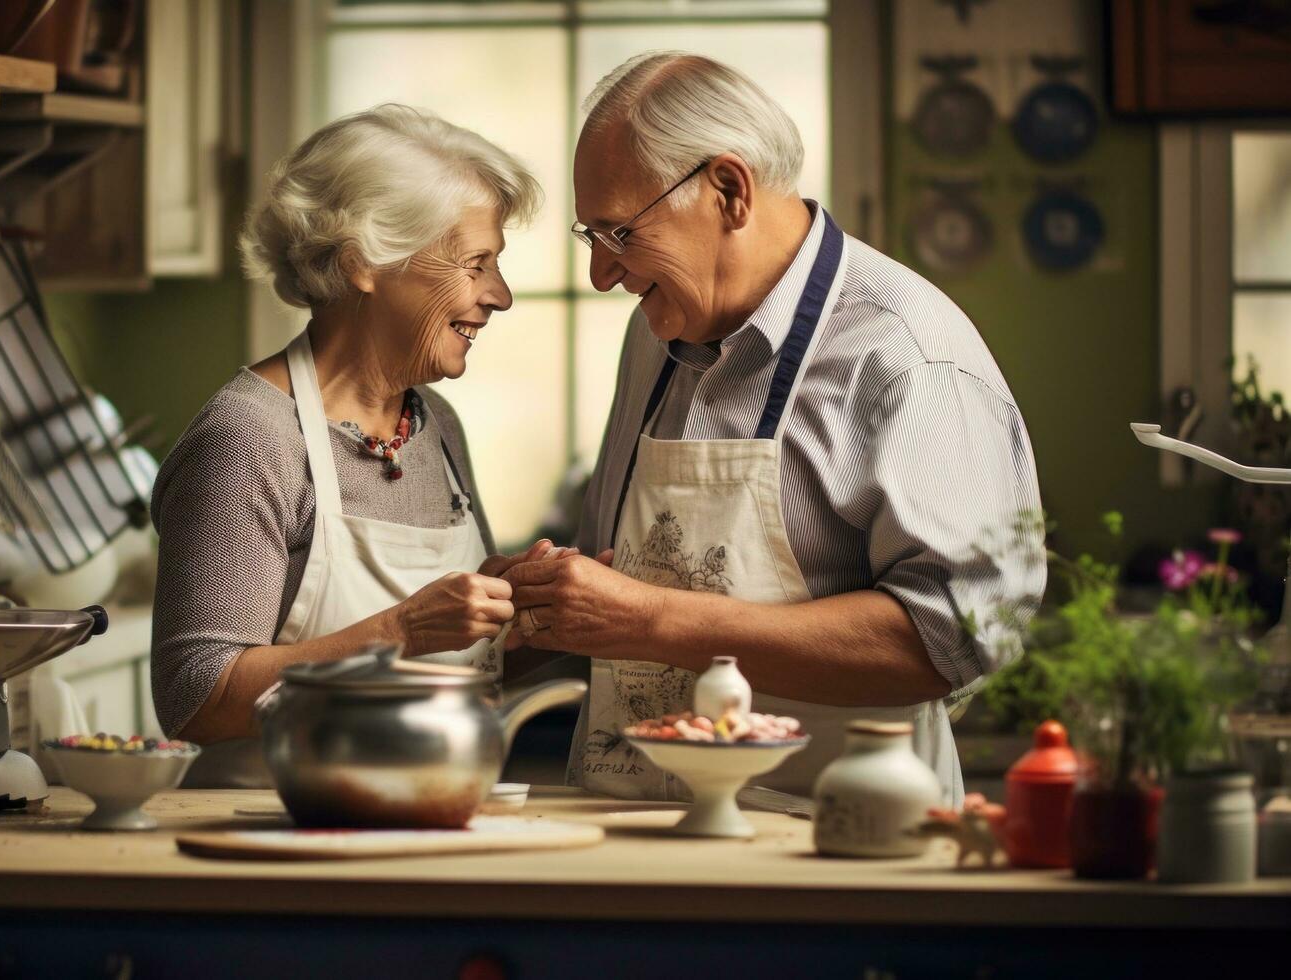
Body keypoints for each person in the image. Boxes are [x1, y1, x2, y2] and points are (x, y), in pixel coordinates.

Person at [498, 53, 1045, 804]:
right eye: (587, 235)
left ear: (728, 190)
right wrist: (548, 596)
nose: (601, 273)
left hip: (833, 843)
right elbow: (625, 571)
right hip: (629, 830)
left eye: (619, 232)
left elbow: (950, 637)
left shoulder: (905, 357)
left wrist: (653, 620)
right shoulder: (653, 333)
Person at [150, 104, 552, 787]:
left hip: (426, 823)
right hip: (276, 841)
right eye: (475, 264)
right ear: (364, 263)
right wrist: (402, 630)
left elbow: (452, 669)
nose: (500, 296)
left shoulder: (436, 425)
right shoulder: (249, 438)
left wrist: (526, 614)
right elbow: (196, 698)